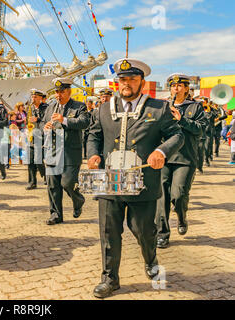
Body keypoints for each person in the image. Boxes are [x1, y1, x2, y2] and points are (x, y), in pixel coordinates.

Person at [87, 58, 184, 298]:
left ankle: (150, 259)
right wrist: (93, 155)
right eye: (122, 79)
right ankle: (110, 278)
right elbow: (93, 136)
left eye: (131, 79)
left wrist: (161, 151)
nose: (126, 83)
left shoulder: (158, 109)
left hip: (143, 183)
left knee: (143, 230)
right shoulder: (103, 108)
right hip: (110, 181)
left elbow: (177, 135)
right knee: (108, 231)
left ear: (142, 81)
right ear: (117, 82)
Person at [155, 74, 206, 249]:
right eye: (173, 85)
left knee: (179, 195)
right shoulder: (163, 107)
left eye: (180, 85)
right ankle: (162, 233)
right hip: (165, 157)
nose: (176, 88)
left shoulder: (195, 107)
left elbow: (201, 130)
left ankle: (182, 217)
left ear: (186, 88)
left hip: (185, 159)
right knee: (161, 197)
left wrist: (181, 120)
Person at [42, 78, 89, 225]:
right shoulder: (50, 107)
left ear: (69, 91)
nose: (58, 95)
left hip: (70, 152)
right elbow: (43, 123)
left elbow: (84, 122)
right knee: (52, 185)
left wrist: (64, 120)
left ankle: (78, 200)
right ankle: (56, 214)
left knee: (67, 183)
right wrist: (45, 127)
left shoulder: (79, 106)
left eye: (61, 91)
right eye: (56, 92)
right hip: (53, 151)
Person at [26, 88, 48, 190]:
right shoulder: (30, 108)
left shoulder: (46, 108)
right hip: (31, 136)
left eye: (35, 97)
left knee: (38, 160)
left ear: (40, 98)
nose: (33, 99)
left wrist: (38, 120)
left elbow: (48, 121)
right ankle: (32, 182)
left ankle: (46, 175)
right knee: (30, 161)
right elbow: (28, 122)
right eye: (32, 97)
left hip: (42, 137)